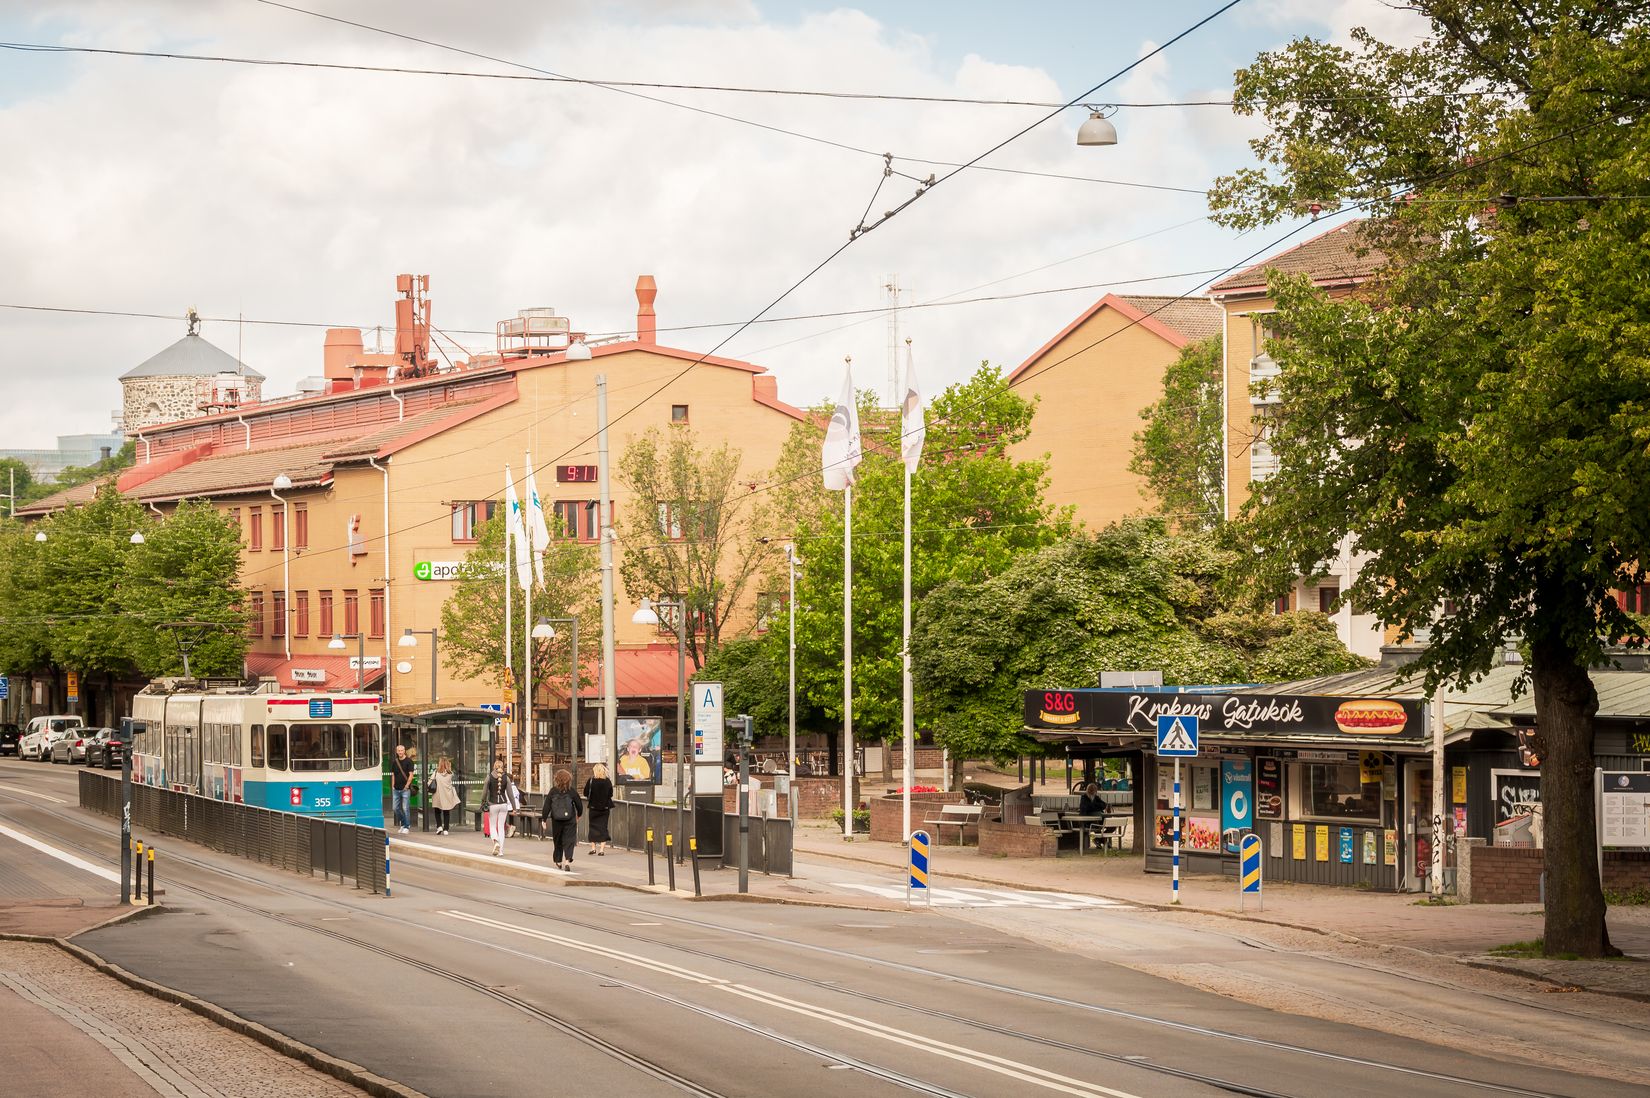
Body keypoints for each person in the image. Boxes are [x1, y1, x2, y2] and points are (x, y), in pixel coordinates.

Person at [540, 768, 583, 871]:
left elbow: (546, 806)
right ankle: (568, 860)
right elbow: (579, 805)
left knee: (558, 840)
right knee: (569, 840)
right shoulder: (571, 791)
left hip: (557, 820)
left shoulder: (553, 791)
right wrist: (578, 815)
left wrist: (544, 819)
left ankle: (558, 860)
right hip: (570, 819)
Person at [484, 760, 517, 857]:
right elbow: (510, 795)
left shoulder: (489, 777)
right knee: (501, 828)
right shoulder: (506, 778)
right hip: (504, 805)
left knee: (492, 826)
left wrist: (483, 802)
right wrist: (514, 808)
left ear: (494, 766)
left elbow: (484, 792)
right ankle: (501, 851)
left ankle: (496, 842)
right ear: (502, 767)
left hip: (493, 804)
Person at [583, 764, 614, 856]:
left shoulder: (591, 781)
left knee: (593, 827)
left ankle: (593, 848)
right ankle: (601, 850)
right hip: (605, 808)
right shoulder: (607, 781)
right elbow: (611, 794)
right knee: (603, 827)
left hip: (593, 808)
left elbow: (585, 793)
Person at [431, 757, 459, 835]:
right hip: (447, 794)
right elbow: (453, 783)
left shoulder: (436, 772)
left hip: (437, 794)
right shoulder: (450, 773)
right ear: (447, 764)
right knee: (446, 812)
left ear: (439, 764)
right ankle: (446, 829)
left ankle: (439, 826)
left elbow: (430, 781)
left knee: (437, 811)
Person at [390, 744, 414, 834]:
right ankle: (404, 824)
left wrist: (407, 786)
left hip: (405, 789)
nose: (400, 752)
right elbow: (393, 775)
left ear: (404, 751)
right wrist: (392, 785)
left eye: (401, 750)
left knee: (405, 808)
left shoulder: (409, 761)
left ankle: (407, 826)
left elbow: (411, 775)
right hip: (396, 789)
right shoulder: (394, 762)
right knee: (395, 808)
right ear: (396, 752)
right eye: (398, 750)